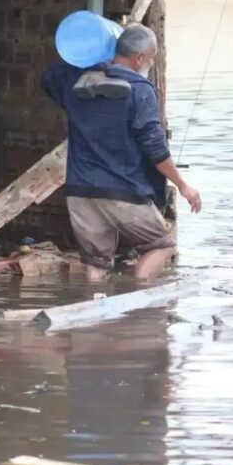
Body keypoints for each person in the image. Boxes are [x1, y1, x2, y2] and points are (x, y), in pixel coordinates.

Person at [42, 23, 201, 281]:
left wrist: (90, 59)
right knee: (163, 244)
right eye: (150, 59)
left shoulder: (76, 84)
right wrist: (183, 185)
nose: (149, 64)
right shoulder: (140, 90)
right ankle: (139, 303)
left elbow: (49, 78)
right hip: (124, 194)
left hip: (81, 192)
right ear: (140, 58)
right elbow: (155, 147)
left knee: (97, 261)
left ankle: (95, 306)